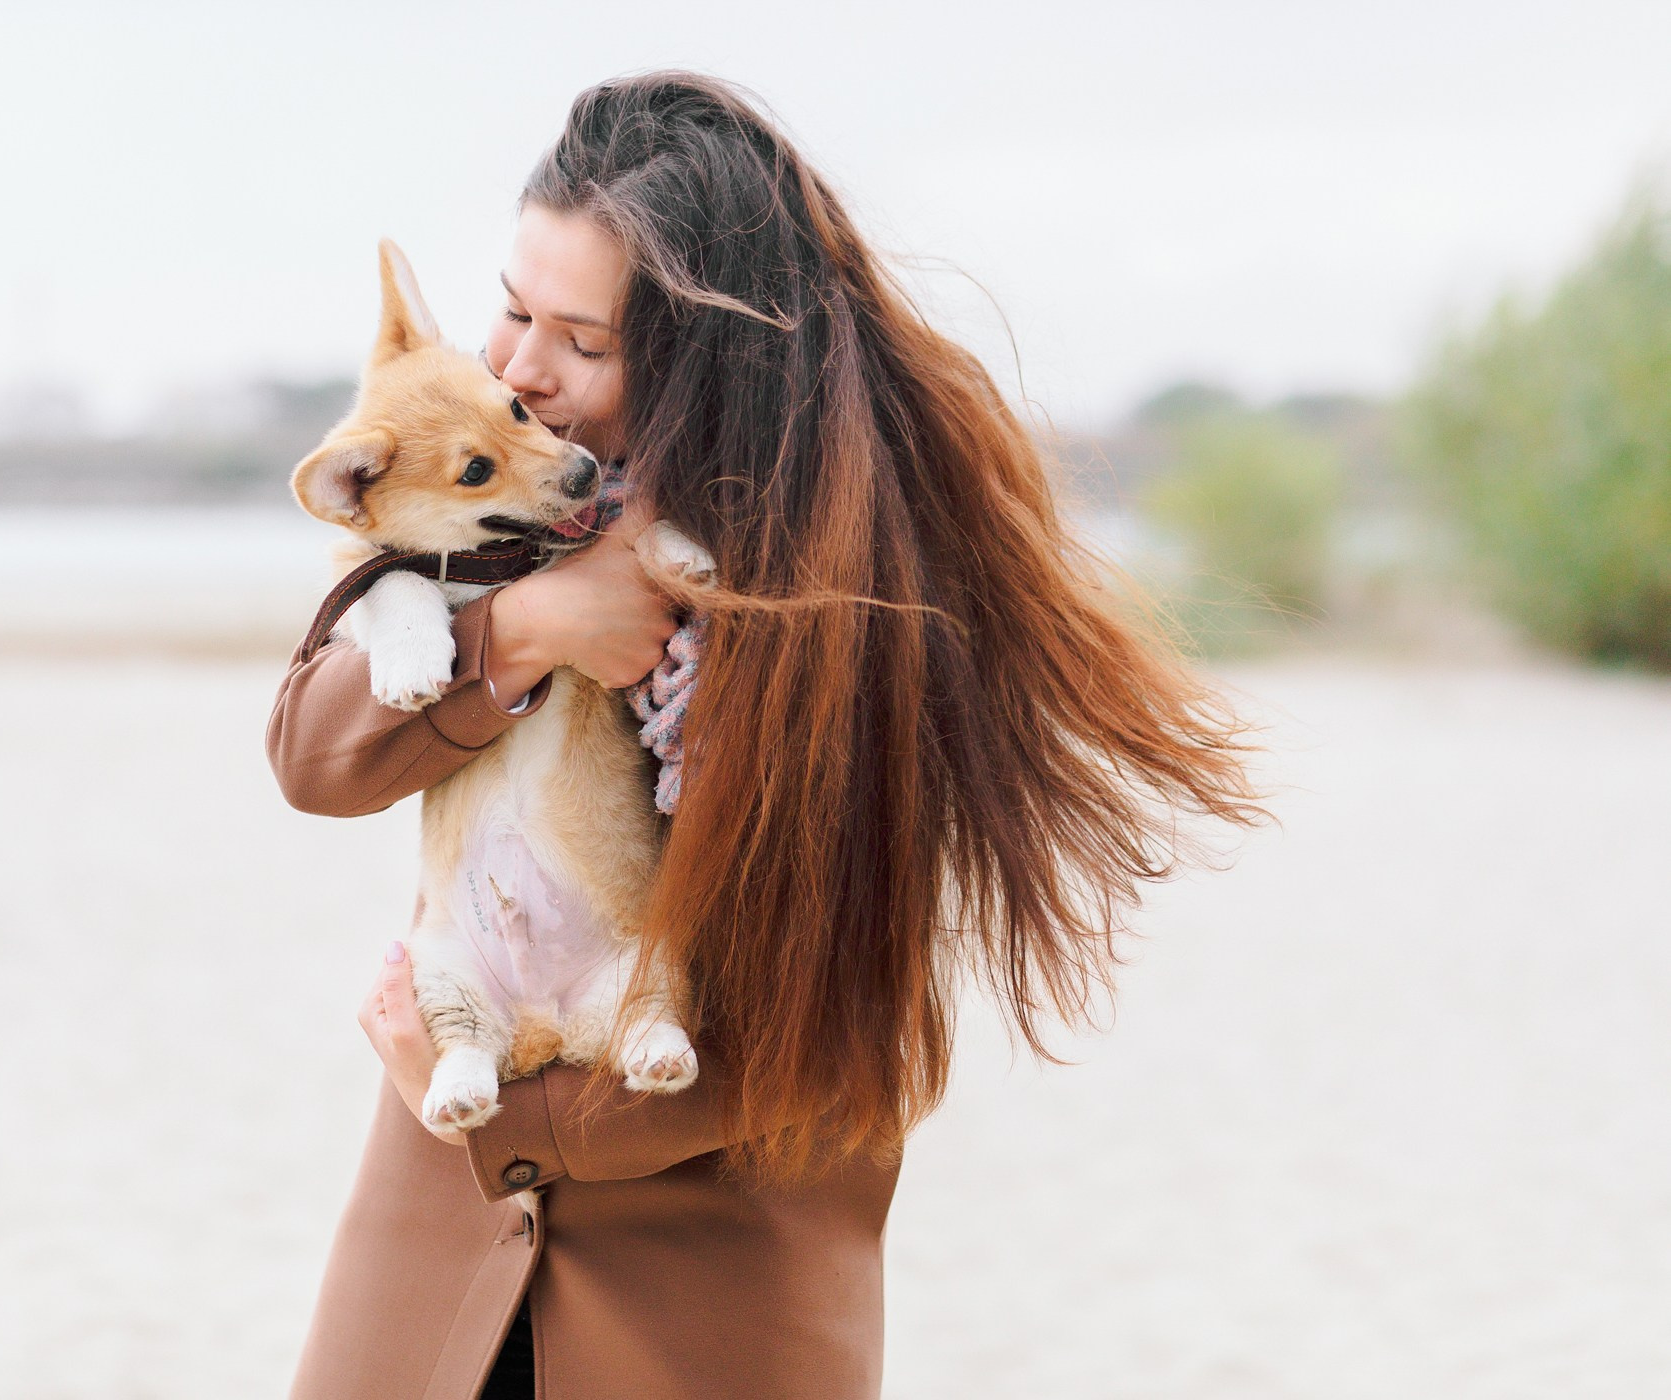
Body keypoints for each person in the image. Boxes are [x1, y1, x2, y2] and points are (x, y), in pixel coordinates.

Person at [266, 71, 1269, 1400]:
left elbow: (820, 1044)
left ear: (705, 361)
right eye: (513, 308)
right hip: (429, 1285)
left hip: (694, 1318)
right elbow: (315, 756)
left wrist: (508, 1122)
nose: (518, 369)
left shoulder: (853, 617)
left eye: (583, 341)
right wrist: (527, 631)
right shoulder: (506, 532)